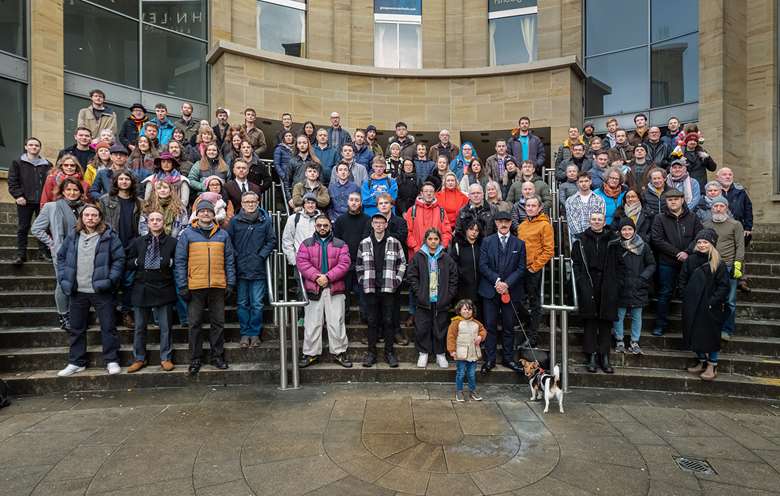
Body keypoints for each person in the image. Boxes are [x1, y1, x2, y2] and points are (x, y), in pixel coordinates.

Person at [56, 204, 125, 377]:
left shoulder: (109, 236)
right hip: (77, 290)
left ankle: (111, 360)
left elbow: (119, 259)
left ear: (100, 217)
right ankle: (76, 362)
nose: (90, 218)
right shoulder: (73, 235)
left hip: (101, 290)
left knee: (108, 327)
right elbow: (61, 257)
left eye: (94, 215)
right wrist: (65, 279)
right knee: (76, 328)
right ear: (82, 217)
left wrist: (110, 281)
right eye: (87, 215)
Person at [176, 199, 236, 375]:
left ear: (213, 214)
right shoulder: (188, 234)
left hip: (217, 285)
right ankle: (195, 359)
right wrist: (182, 285)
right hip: (195, 286)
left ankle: (217, 356)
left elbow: (229, 260)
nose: (205, 214)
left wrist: (230, 282)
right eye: (202, 211)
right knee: (194, 324)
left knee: (218, 323)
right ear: (197, 214)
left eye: (209, 211)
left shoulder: (222, 235)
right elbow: (180, 262)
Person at [124, 211, 178, 373]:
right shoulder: (138, 242)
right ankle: (139, 358)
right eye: (152, 220)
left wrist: (170, 262)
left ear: (163, 222)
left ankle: (166, 357)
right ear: (147, 223)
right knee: (140, 326)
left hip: (164, 287)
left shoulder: (172, 242)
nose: (155, 222)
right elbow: (126, 261)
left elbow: (181, 261)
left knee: (166, 326)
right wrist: (136, 261)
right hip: (142, 287)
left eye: (158, 220)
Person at [296, 214, 353, 368]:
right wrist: (316, 277)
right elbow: (302, 263)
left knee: (336, 322)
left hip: (335, 288)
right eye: (319, 225)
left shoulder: (341, 244)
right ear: (315, 226)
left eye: (325, 225)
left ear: (330, 226)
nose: (322, 228)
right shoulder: (306, 244)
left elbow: (344, 264)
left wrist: (328, 277)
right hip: (314, 288)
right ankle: (310, 354)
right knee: (312, 323)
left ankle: (340, 352)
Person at [572, 212, 624, 374]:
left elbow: (620, 264)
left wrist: (616, 283)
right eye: (593, 219)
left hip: (608, 283)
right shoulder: (580, 240)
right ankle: (592, 356)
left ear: (604, 221)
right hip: (588, 282)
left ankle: (604, 356)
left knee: (606, 322)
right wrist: (581, 281)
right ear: (589, 221)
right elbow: (576, 264)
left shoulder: (614, 240)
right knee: (590, 322)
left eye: (599, 219)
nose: (596, 222)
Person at [32, 178, 85, 330]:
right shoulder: (51, 207)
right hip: (62, 253)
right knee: (63, 284)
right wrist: (51, 243)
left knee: (79, 283)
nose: (72, 193)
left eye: (75, 190)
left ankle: (76, 314)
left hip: (83, 253)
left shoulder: (85, 208)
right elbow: (36, 229)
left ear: (80, 192)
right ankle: (64, 316)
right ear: (62, 191)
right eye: (68, 190)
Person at [680, 228, 730, 381]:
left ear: (712, 244)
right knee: (692, 334)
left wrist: (712, 302)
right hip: (692, 304)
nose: (701, 245)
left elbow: (724, 286)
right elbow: (682, 279)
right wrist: (685, 296)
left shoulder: (718, 263)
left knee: (710, 336)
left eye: (705, 242)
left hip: (710, 306)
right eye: (699, 242)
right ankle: (701, 361)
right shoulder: (690, 260)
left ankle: (712, 365)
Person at [651, 188, 703, 336]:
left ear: (682, 200)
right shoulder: (659, 218)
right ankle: (660, 325)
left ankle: (691, 326)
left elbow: (699, 237)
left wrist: (687, 251)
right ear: (666, 202)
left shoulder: (693, 217)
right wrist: (677, 253)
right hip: (667, 262)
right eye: (669, 199)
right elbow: (657, 240)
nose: (673, 201)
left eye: (676, 199)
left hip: (689, 261)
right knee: (665, 293)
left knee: (690, 293)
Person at [356, 213, 406, 367]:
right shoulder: (364, 243)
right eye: (376, 222)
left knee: (389, 321)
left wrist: (396, 280)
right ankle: (371, 353)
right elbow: (358, 265)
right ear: (372, 224)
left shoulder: (394, 242)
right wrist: (362, 281)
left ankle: (389, 353)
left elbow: (402, 263)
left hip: (388, 288)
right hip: (371, 288)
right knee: (372, 321)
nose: (378, 225)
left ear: (386, 225)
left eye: (381, 223)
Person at [227, 191, 276, 347]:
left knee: (257, 303)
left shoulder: (265, 221)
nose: (250, 204)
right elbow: (229, 242)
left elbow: (271, 240)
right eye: (247, 202)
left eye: (253, 201)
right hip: (240, 268)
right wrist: (236, 256)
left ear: (258, 202)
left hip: (258, 269)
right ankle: (244, 333)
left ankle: (254, 334)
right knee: (242, 303)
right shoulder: (234, 221)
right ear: (242, 204)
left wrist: (261, 256)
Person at [478, 211, 525, 373]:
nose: (503, 224)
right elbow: (483, 265)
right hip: (490, 290)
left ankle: (508, 358)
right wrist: (497, 281)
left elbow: (521, 268)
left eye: (506, 221)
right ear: (496, 223)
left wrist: (507, 284)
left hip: (511, 291)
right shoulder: (486, 242)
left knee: (509, 326)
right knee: (489, 325)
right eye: (500, 222)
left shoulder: (519, 244)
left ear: (511, 223)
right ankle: (490, 360)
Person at [408, 227, 459, 369]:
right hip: (424, 300)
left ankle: (440, 354)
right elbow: (412, 276)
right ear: (425, 240)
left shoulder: (446, 258)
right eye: (430, 239)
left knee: (440, 327)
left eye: (436, 239)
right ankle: (423, 353)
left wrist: (448, 296)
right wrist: (419, 293)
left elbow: (454, 278)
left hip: (441, 300)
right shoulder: (419, 256)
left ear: (440, 241)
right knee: (422, 327)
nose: (433, 241)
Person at [99, 171, 143, 328]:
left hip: (132, 247)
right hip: (112, 245)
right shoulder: (105, 200)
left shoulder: (139, 202)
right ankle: (109, 313)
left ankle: (126, 312)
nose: (124, 182)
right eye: (121, 179)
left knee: (129, 282)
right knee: (111, 281)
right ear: (116, 182)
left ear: (132, 182)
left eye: (127, 179)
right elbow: (101, 223)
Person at [703, 196, 745, 340]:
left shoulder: (735, 224)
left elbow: (740, 246)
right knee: (711, 299)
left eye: (721, 206)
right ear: (711, 208)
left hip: (728, 266)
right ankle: (711, 327)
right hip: (710, 266)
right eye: (715, 206)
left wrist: (737, 264)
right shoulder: (706, 224)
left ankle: (727, 329)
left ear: (726, 208)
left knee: (730, 301)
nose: (718, 208)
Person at [613, 217, 655, 355]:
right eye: (624, 229)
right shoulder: (615, 246)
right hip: (621, 286)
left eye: (629, 229)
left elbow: (651, 264)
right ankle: (619, 339)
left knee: (637, 315)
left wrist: (643, 278)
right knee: (619, 315)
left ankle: (634, 341)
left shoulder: (643, 246)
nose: (627, 232)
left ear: (634, 230)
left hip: (638, 285)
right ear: (620, 231)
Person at [9, 137, 51, 265]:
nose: (34, 147)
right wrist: (18, 196)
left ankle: (43, 253)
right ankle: (21, 254)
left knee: (43, 228)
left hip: (42, 202)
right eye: (31, 145)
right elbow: (12, 181)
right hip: (24, 201)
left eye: (36, 145)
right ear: (26, 147)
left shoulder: (47, 164)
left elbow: (50, 183)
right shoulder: (17, 163)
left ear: (39, 148)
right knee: (23, 227)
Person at [518, 196, 554, 347]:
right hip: (520, 268)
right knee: (518, 299)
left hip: (534, 269)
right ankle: (526, 321)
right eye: (528, 205)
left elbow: (549, 250)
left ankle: (532, 337)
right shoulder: (522, 225)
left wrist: (535, 266)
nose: (531, 208)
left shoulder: (545, 225)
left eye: (534, 205)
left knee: (534, 303)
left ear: (539, 208)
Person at [334, 192, 370, 328]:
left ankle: (365, 320)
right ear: (347, 202)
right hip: (344, 262)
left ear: (360, 203)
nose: (354, 203)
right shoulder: (340, 220)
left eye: (357, 200)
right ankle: (345, 319)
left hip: (362, 263)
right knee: (345, 293)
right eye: (351, 200)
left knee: (363, 293)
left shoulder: (367, 219)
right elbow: (336, 242)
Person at [447, 299, 488, 402]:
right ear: (459, 310)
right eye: (464, 309)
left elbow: (483, 331)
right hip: (461, 353)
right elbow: (451, 337)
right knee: (460, 373)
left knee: (471, 374)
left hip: (473, 353)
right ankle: (459, 391)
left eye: (469, 309)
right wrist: (452, 350)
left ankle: (472, 391)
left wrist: (480, 337)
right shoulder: (456, 323)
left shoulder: (476, 323)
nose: (467, 311)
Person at [406, 182, 453, 255]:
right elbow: (408, 232)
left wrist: (441, 246)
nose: (429, 193)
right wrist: (415, 247)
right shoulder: (412, 210)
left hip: (437, 254)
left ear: (434, 194)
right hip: (417, 254)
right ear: (421, 193)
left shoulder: (441, 211)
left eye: (431, 191)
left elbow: (447, 232)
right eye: (426, 191)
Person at [282, 194, 321, 268]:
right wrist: (293, 260)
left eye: (313, 203)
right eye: (308, 203)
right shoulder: (294, 218)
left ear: (316, 205)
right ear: (303, 205)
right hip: (300, 261)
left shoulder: (321, 220)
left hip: (318, 262)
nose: (310, 205)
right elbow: (287, 240)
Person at [564, 171, 606, 241]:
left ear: (590, 182)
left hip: (596, 238)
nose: (584, 184)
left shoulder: (599, 199)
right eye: (581, 181)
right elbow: (571, 221)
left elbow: (601, 219)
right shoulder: (570, 200)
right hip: (577, 238)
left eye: (586, 181)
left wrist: (592, 234)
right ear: (577, 183)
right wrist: (582, 236)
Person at [449, 220, 482, 305]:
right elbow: (453, 266)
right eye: (471, 229)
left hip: (479, 288)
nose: (474, 232)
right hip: (462, 289)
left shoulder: (481, 246)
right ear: (466, 230)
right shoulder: (458, 246)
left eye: (476, 230)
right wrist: (462, 274)